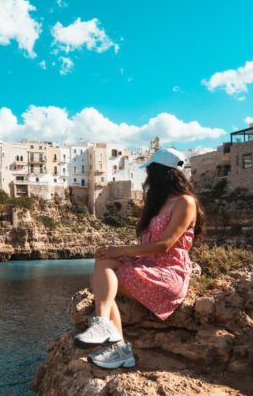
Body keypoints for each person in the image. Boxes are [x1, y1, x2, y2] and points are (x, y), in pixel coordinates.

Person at [74, 147, 205, 369]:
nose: (147, 177)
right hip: (148, 266)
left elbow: (164, 246)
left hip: (168, 274)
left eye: (150, 171)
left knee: (105, 279)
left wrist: (120, 251)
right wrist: (112, 251)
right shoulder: (158, 202)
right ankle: (105, 327)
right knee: (103, 263)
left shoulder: (186, 202)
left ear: (161, 172)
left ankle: (117, 346)